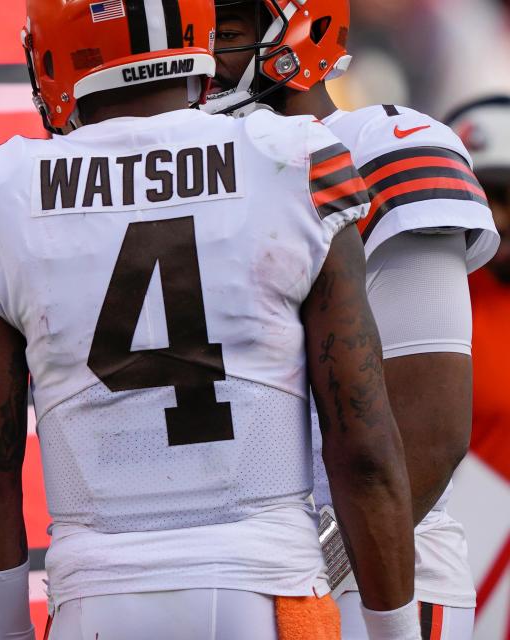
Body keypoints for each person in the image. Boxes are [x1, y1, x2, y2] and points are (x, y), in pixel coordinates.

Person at [0, 0, 418, 638]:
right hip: (268, 587)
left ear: (52, 55)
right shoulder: (296, 160)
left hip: (97, 596)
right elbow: (362, 449)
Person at [204, 2, 500, 638]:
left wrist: (303, 579)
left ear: (299, 34)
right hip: (225, 579)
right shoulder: (165, 180)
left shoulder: (380, 147)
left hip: (368, 581)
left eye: (224, 32)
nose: (199, 57)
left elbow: (424, 434)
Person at [445, 97, 510, 489]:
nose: (496, 218)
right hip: (459, 542)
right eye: (479, 197)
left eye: (506, 195)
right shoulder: (418, 296)